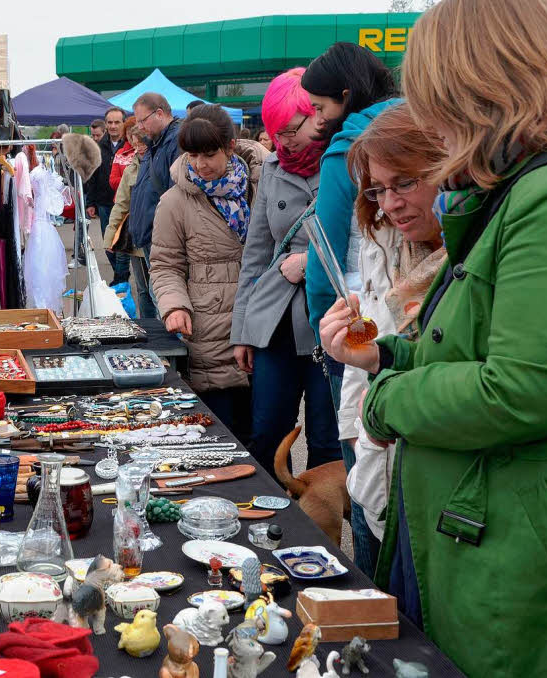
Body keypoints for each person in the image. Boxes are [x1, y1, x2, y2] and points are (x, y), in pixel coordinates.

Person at [320, 1, 547, 675]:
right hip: (495, 522)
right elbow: (476, 344)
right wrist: (390, 355)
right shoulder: (523, 185)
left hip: (528, 540)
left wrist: (387, 400)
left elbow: (524, 387)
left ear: (473, 83)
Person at [301, 42, 399, 577]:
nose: (315, 118)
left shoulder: (349, 147)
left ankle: (377, 594)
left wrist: (326, 333)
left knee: (366, 471)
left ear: (345, 94)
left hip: (361, 321)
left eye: (318, 107)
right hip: (415, 316)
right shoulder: (416, 122)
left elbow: (327, 255)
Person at [336, 103, 446, 543]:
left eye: (404, 182)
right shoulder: (383, 238)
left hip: (432, 476)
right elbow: (375, 329)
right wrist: (353, 346)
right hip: (373, 453)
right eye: (377, 190)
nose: (391, 203)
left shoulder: (474, 254)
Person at [230, 68, 340, 475]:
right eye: (275, 132)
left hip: (331, 319)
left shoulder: (345, 161)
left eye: (290, 128)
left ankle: (322, 532)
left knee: (328, 443)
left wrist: (311, 262)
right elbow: (255, 255)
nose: (283, 140)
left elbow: (364, 240)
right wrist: (242, 332)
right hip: (274, 319)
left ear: (316, 115)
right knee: (267, 434)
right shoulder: (274, 168)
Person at [151, 104, 267, 444]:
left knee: (269, 439)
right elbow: (165, 264)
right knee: (222, 439)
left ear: (230, 147)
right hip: (212, 336)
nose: (200, 164)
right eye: (193, 154)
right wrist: (174, 306)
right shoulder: (175, 202)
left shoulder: (264, 186)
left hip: (266, 328)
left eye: (209, 154)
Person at [104, 118, 155, 319]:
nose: (138, 148)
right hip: (137, 237)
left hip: (158, 236)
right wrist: (110, 236)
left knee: (158, 288)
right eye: (134, 143)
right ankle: (150, 325)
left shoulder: (160, 164)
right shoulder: (131, 168)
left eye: (141, 143)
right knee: (143, 287)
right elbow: (121, 203)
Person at [128, 93, 181, 260]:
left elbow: (178, 195)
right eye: (137, 121)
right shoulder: (156, 142)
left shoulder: (177, 141)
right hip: (152, 235)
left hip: (164, 239)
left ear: (159, 113)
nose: (139, 126)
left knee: (160, 286)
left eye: (142, 120)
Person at [85, 106, 129, 285]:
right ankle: (121, 276)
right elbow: (92, 177)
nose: (113, 126)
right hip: (104, 203)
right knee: (109, 244)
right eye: (109, 122)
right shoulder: (98, 147)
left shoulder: (130, 145)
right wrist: (91, 202)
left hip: (126, 203)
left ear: (123, 123)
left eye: (117, 122)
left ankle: (121, 279)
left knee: (123, 244)